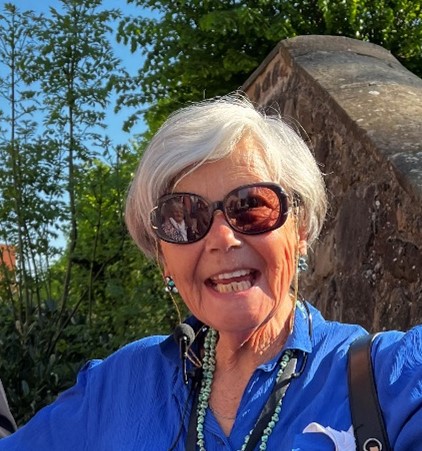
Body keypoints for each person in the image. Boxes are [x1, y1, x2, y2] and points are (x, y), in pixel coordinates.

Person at [0, 94, 421, 450]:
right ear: (163, 256)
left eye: (252, 206)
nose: (222, 238)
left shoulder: (392, 379)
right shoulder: (116, 387)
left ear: (301, 229)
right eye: (183, 217)